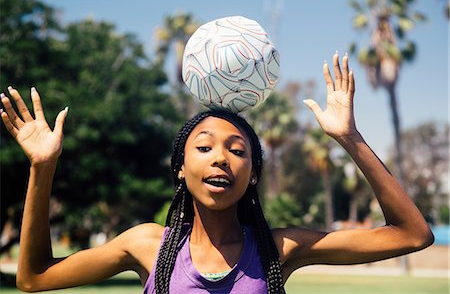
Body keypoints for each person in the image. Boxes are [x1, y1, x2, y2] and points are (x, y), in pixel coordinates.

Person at [1, 53, 434, 293]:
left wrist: (350, 138)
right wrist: (43, 168)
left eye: (237, 150)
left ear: (254, 173)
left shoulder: (278, 249)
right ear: (180, 169)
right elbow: (33, 278)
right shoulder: (147, 245)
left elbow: (412, 235)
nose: (221, 158)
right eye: (204, 147)